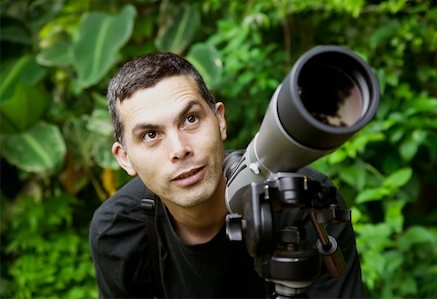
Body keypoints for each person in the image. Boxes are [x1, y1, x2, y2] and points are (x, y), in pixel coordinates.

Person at [89, 52, 364, 298]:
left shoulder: (302, 200)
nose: (179, 149)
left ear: (220, 120)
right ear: (125, 158)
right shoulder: (118, 230)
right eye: (151, 135)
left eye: (191, 119)